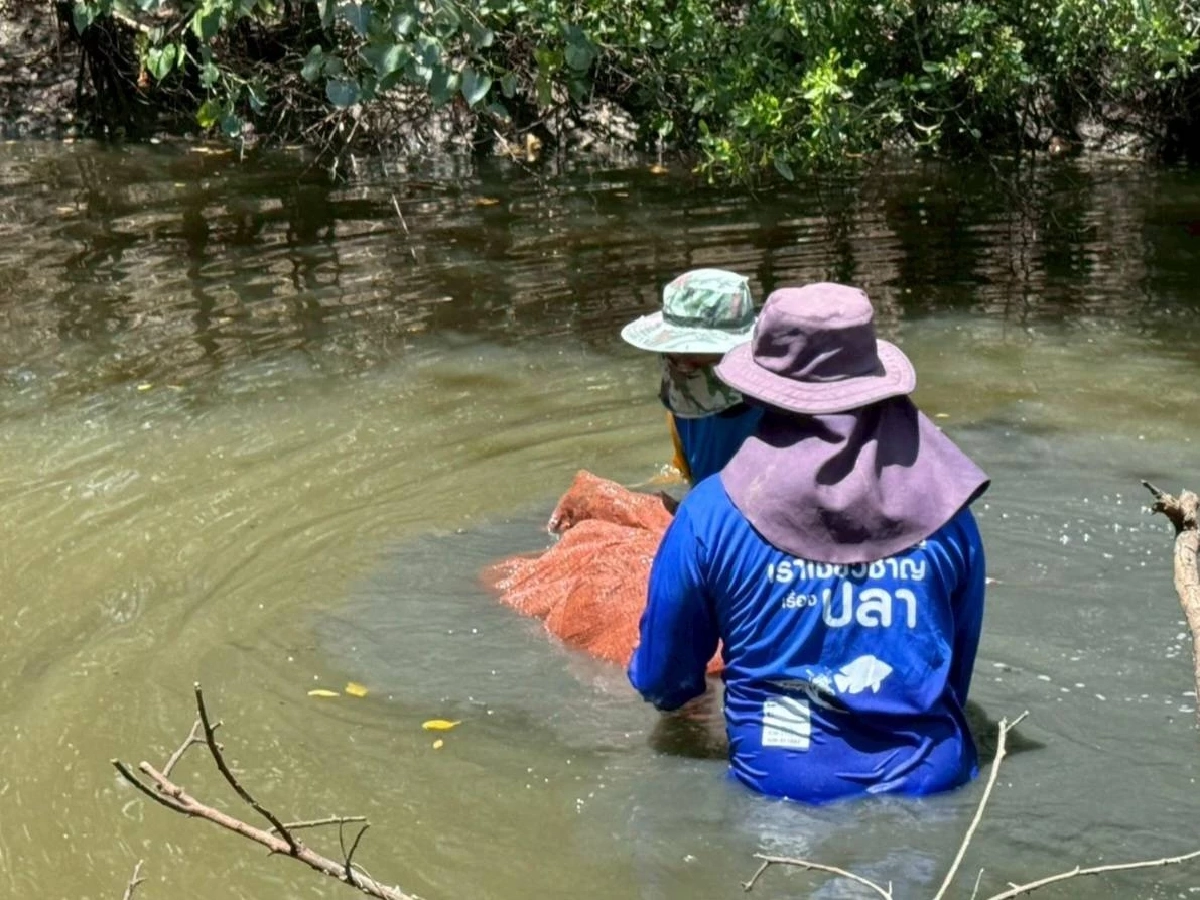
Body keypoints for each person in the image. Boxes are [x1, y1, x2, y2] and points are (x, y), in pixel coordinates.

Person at [628, 282, 991, 804]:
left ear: (758, 390)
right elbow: (954, 676)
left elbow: (665, 678)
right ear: (876, 383)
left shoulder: (712, 512)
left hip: (784, 787)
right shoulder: (948, 509)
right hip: (932, 780)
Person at [621, 268, 763, 484]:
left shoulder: (777, 412)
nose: (683, 366)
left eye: (695, 352)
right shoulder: (683, 409)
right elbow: (684, 473)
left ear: (736, 351)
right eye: (675, 352)